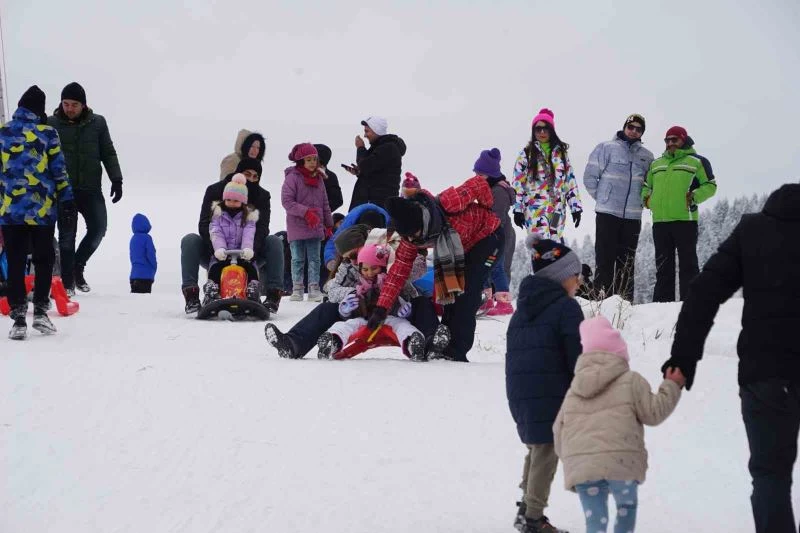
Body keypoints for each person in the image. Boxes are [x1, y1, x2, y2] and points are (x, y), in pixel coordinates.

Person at [663, 182, 800, 532]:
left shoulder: (754, 230)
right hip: (768, 371)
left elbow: (703, 292)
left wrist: (683, 359)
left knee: (770, 475)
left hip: (765, 373)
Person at [553, 316, 684, 533]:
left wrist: (571, 459)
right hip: (622, 465)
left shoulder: (574, 391)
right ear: (619, 352)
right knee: (626, 506)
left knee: (595, 522)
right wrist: (671, 385)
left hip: (585, 468)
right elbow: (653, 413)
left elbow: (558, 429)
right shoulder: (631, 381)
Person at [265, 224, 450, 360]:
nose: (353, 261)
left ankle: (432, 343)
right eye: (348, 258)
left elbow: (419, 268)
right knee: (328, 308)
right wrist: (352, 294)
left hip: (398, 310)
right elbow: (331, 288)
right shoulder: (350, 268)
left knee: (422, 303)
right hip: (361, 313)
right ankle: (293, 343)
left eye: (355, 255)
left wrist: (395, 256)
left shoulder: (389, 259)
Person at [505, 234, 584, 533]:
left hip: (522, 394)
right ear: (561, 276)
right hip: (550, 394)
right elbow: (577, 354)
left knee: (537, 449)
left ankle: (526, 508)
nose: (578, 282)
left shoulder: (522, 309)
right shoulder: (566, 309)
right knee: (547, 452)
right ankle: (533, 519)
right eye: (574, 276)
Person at [377, 175, 502, 362]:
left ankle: (456, 352)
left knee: (467, 292)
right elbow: (398, 272)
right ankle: (443, 344)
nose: (412, 241)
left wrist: (487, 207)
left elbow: (479, 183)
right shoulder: (411, 238)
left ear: (422, 222)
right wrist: (381, 308)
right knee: (451, 293)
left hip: (489, 236)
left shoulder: (448, 203)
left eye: (414, 235)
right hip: (462, 248)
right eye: (408, 237)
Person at [1, 86, 75, 339]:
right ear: (40, 110)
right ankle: (41, 312)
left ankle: (19, 317)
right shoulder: (47, 134)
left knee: (15, 261)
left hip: (10, 211)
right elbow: (59, 171)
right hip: (41, 211)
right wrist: (67, 201)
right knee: (44, 260)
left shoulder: (2, 133)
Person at [181, 158, 284, 314]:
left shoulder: (261, 198)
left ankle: (270, 295)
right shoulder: (215, 192)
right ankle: (194, 295)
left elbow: (260, 229)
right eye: (247, 174)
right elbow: (206, 225)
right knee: (190, 240)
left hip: (248, 251)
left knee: (275, 241)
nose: (251, 179)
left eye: (255, 176)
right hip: (217, 252)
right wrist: (218, 250)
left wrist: (248, 251)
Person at [48, 82, 123, 294]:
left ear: (83, 105)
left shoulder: (97, 123)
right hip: (64, 190)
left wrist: (116, 179)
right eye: (65, 104)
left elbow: (108, 152)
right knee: (66, 236)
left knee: (99, 228)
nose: (69, 108)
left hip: (90, 189)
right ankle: (67, 282)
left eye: (74, 104)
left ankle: (77, 267)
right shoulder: (51, 123)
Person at [583, 114, 654, 301]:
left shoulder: (647, 156)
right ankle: (601, 300)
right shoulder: (606, 148)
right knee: (605, 259)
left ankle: (624, 303)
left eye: (639, 129)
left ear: (642, 133)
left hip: (633, 216)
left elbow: (650, 184)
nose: (634, 131)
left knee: (627, 262)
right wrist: (603, 198)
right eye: (631, 127)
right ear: (624, 127)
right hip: (608, 214)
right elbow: (589, 177)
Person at [642, 126, 717, 302]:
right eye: (667, 140)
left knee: (688, 265)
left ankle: (690, 303)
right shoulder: (656, 164)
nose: (670, 143)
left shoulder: (697, 162)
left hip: (685, 221)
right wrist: (647, 200)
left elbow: (711, 185)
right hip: (660, 222)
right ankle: (661, 305)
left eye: (674, 139)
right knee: (662, 267)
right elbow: (646, 186)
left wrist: (694, 197)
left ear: (683, 139)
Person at [317, 243, 428, 360]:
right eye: (365, 269)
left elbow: (403, 297)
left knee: (404, 326)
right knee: (346, 326)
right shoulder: (357, 284)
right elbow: (346, 306)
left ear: (382, 267)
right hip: (363, 319)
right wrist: (345, 310)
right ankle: (332, 341)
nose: (369, 273)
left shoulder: (391, 282)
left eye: (374, 268)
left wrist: (404, 310)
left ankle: (413, 344)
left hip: (390, 318)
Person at [512, 108, 582, 244]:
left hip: (556, 211)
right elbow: (518, 183)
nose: (542, 132)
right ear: (533, 131)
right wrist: (517, 209)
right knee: (540, 247)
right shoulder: (526, 154)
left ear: (552, 130)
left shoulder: (561, 154)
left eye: (546, 129)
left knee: (555, 246)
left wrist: (575, 208)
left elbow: (569, 182)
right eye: (538, 129)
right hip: (535, 210)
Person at [281, 143, 333, 302]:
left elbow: (324, 202)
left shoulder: (319, 179)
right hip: (297, 226)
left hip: (315, 225)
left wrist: (329, 224)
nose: (312, 162)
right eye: (308, 159)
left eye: (314, 159)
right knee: (297, 258)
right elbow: (287, 201)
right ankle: (297, 288)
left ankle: (314, 288)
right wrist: (305, 212)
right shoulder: (292, 178)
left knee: (315, 259)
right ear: (301, 161)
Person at [203, 174, 260, 303]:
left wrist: (247, 249)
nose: (232, 203)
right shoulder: (217, 215)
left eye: (235, 200)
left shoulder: (248, 218)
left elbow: (249, 234)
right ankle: (212, 291)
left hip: (242, 255)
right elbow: (216, 232)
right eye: (228, 200)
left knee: (250, 268)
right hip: (223, 255)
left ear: (242, 201)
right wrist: (220, 249)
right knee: (215, 268)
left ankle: (252, 290)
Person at [473, 148, 516, 316]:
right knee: (485, 266)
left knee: (497, 266)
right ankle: (487, 300)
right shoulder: (488, 189)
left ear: (489, 174)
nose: (477, 177)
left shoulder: (498, 192)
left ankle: (504, 302)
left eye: (480, 174)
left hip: (498, 236)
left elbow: (496, 219)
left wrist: (485, 232)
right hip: (488, 235)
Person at [344, 116, 407, 211]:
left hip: (376, 206)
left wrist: (360, 148)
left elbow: (365, 165)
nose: (365, 135)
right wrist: (359, 172)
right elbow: (375, 172)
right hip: (373, 204)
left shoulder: (388, 148)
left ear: (376, 130)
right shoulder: (380, 147)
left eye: (367, 131)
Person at [323, 202, 388, 270]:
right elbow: (333, 243)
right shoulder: (346, 227)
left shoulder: (389, 234)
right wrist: (330, 260)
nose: (353, 262)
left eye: (355, 256)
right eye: (347, 259)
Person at [129, 213, 157, 294]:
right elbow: (151, 254)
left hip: (133, 275)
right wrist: (154, 267)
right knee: (144, 302)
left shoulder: (133, 239)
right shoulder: (147, 238)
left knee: (135, 301)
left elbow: (131, 256)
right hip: (145, 276)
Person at [314, 144, 343, 212]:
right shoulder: (300, 174)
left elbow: (337, 200)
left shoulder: (330, 176)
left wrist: (319, 212)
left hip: (319, 219)